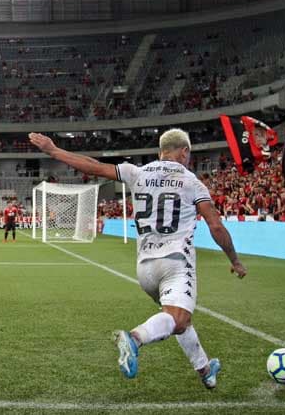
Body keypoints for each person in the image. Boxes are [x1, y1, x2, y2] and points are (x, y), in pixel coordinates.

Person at [29, 129, 247, 389]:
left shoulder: (138, 173)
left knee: (178, 318)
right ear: (185, 152)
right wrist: (234, 260)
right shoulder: (192, 182)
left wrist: (54, 150)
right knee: (176, 319)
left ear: (160, 152)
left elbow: (94, 167)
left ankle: (204, 368)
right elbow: (216, 226)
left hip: (145, 269)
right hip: (175, 262)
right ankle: (135, 338)